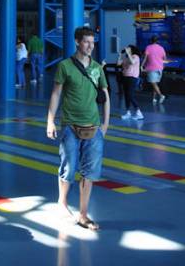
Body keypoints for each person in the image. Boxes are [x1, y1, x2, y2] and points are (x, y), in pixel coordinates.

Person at [46, 26, 110, 232]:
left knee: (89, 173)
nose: (90, 46)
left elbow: (105, 96)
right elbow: (56, 94)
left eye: (93, 42)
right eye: (86, 42)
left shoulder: (98, 68)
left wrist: (106, 123)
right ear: (77, 42)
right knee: (68, 167)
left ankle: (83, 214)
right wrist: (50, 120)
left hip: (93, 126)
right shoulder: (65, 66)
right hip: (70, 127)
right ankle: (62, 203)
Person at [118, 45, 143, 120]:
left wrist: (128, 54)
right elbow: (118, 64)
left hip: (132, 77)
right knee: (126, 95)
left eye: (128, 48)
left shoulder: (135, 57)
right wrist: (120, 56)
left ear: (131, 50)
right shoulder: (126, 57)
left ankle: (139, 112)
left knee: (130, 94)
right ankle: (128, 112)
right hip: (125, 77)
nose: (126, 49)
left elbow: (132, 62)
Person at [141, 35, 167, 103]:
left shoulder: (148, 47)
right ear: (158, 41)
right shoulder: (161, 48)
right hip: (160, 68)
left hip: (151, 68)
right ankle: (154, 99)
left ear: (151, 40)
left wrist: (142, 65)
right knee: (155, 84)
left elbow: (145, 58)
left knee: (153, 83)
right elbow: (164, 59)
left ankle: (161, 95)